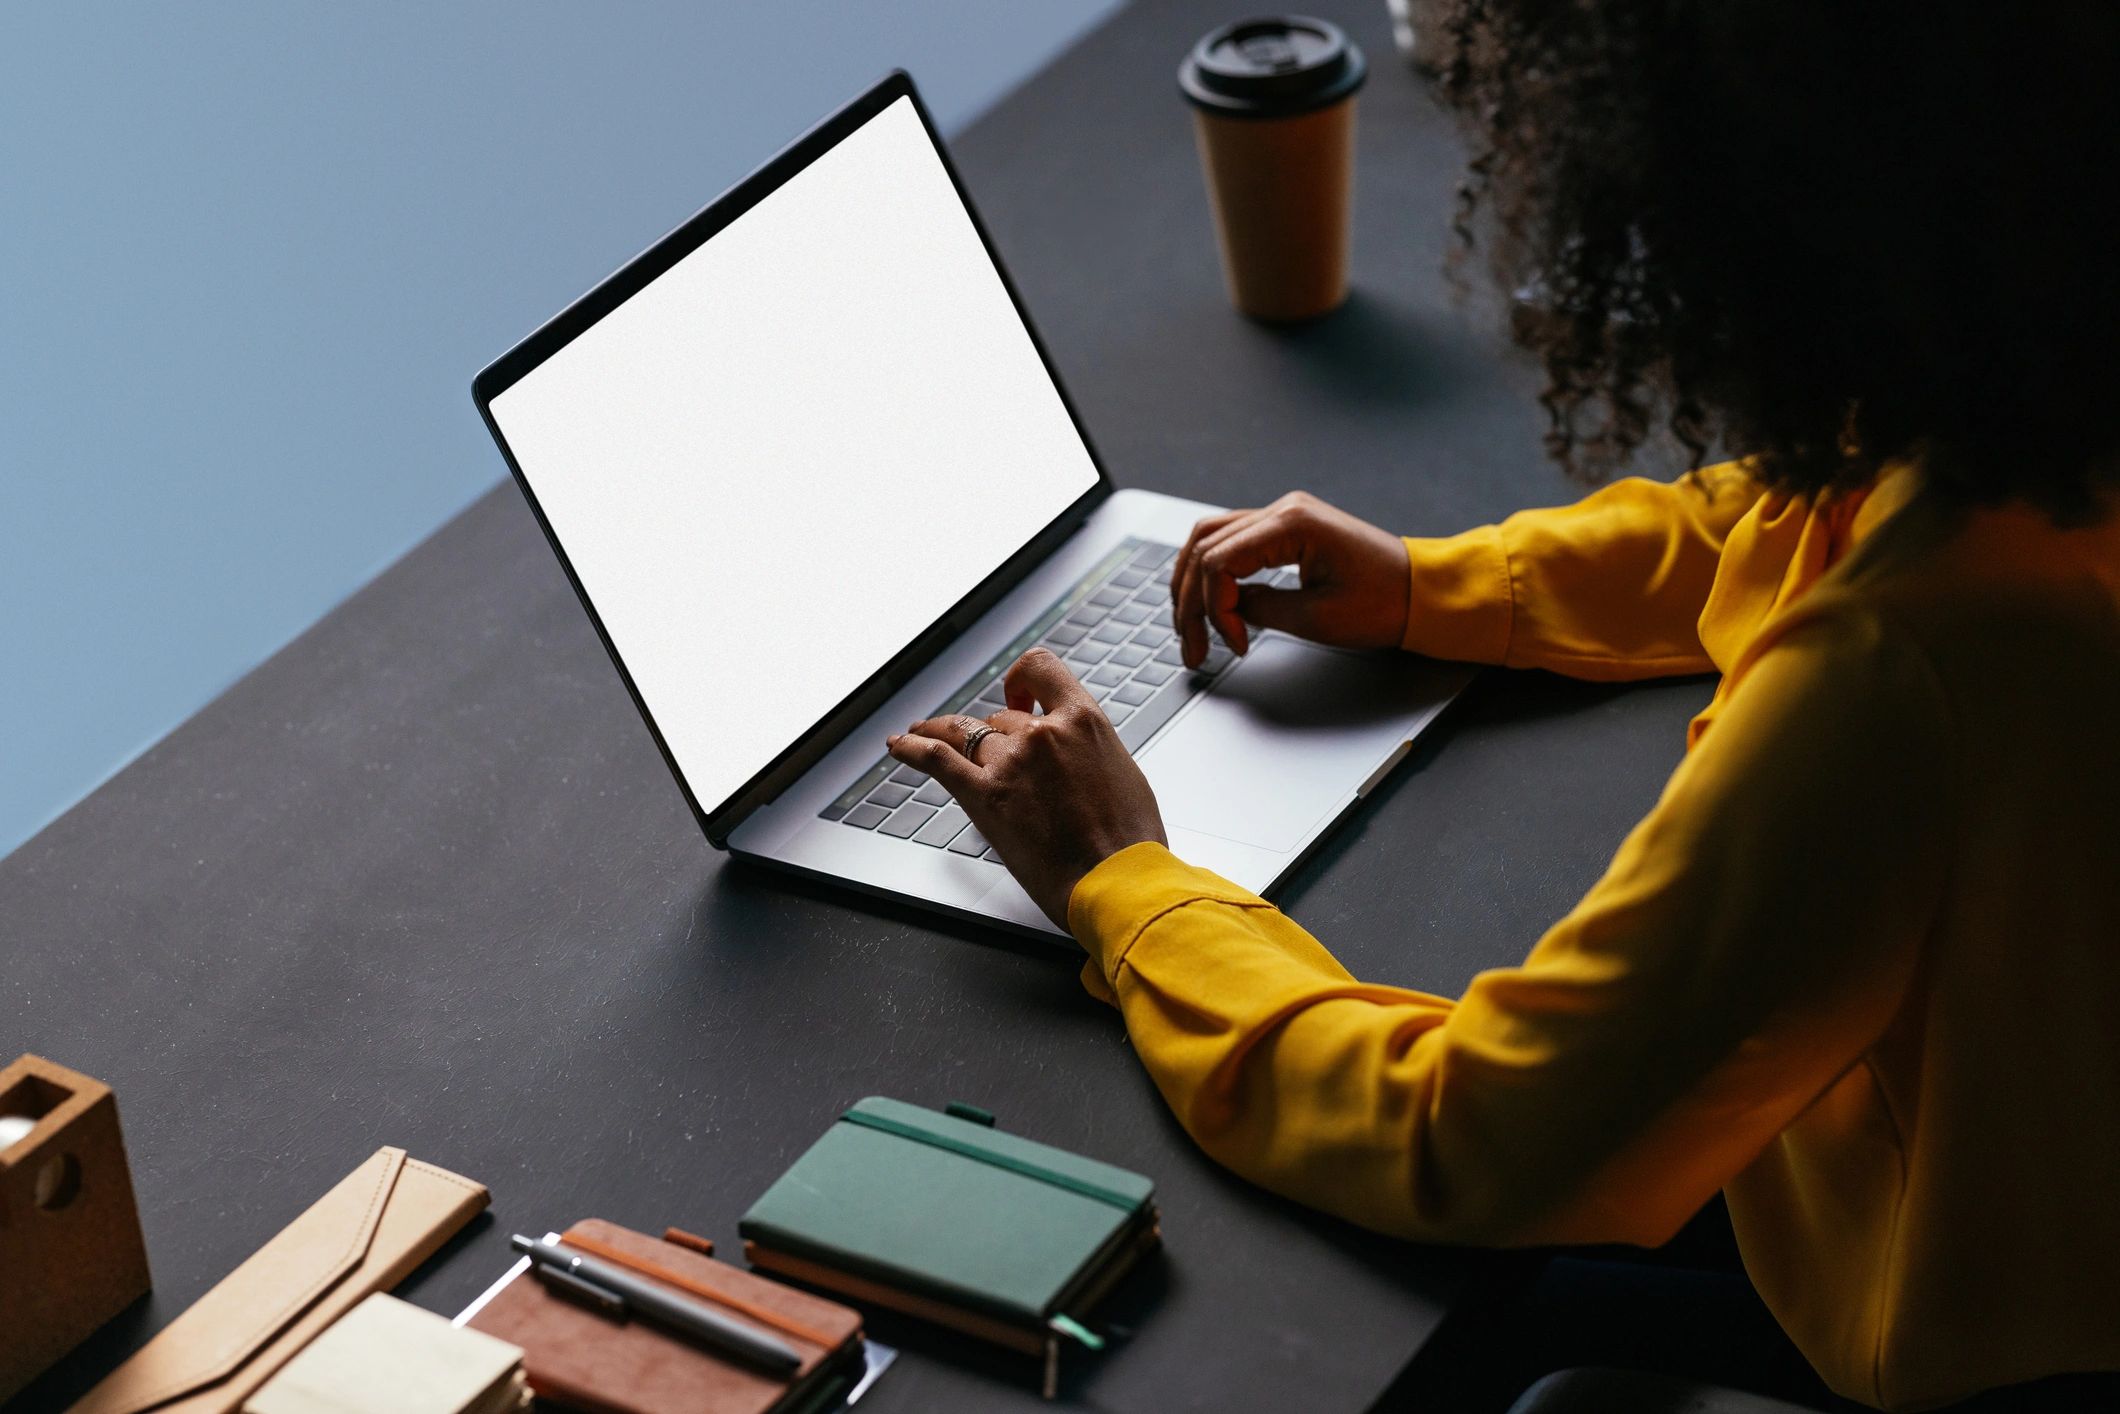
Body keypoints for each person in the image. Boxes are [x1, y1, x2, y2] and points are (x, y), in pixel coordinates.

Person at [885, 3, 2120, 1409]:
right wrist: (1436, 584)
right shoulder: (2047, 412)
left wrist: (1127, 881)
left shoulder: (1894, 682)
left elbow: (1474, 1133)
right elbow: (1799, 507)